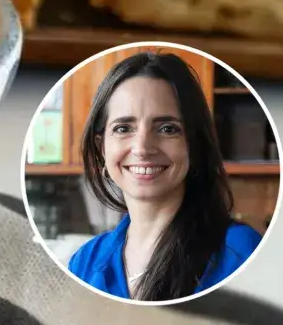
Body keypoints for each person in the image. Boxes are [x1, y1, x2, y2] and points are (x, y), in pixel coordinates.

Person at [67, 51, 263, 302]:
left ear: (193, 144)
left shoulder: (239, 251)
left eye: (167, 129)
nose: (142, 148)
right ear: (102, 147)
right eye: (123, 128)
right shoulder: (84, 261)